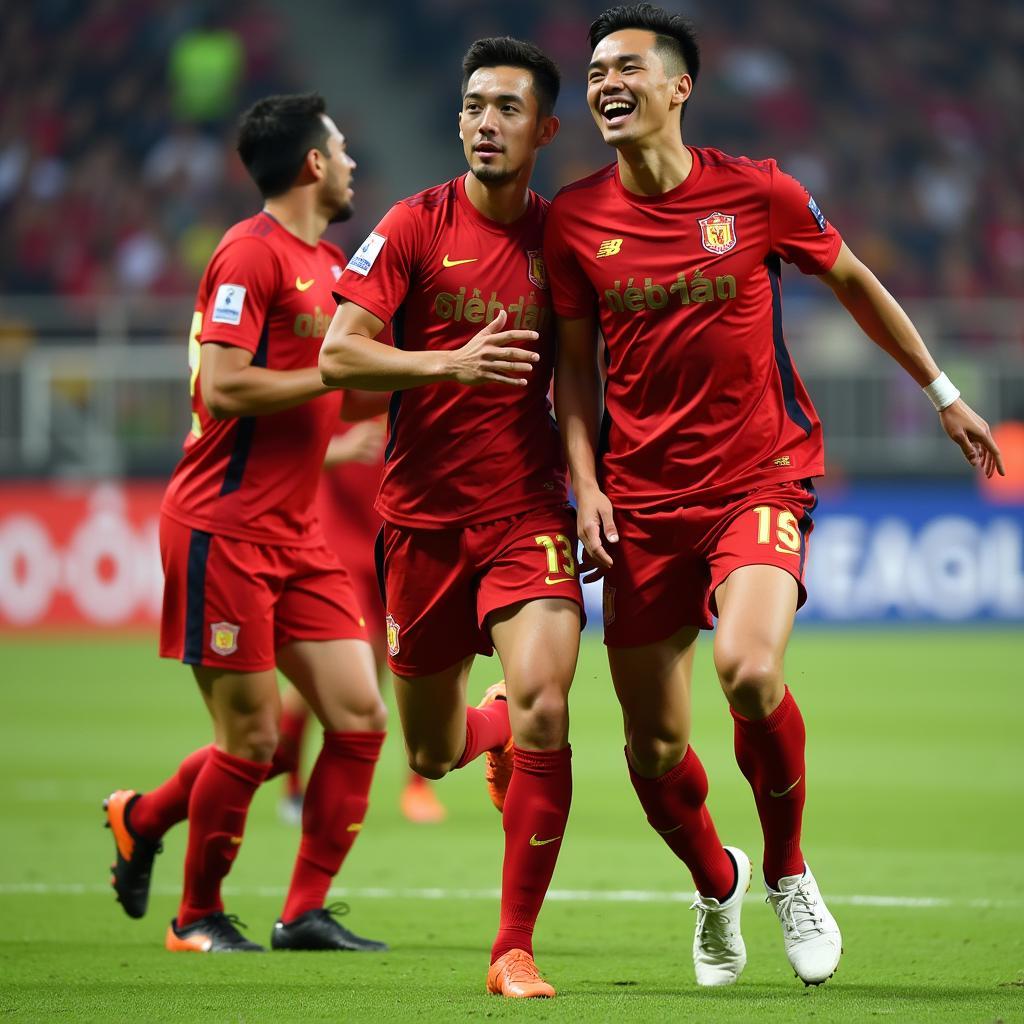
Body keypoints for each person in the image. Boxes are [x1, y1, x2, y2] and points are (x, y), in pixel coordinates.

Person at [544, 3, 1004, 989]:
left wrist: (943, 391)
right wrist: (582, 484)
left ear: (679, 86)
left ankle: (789, 871)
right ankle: (717, 882)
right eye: (591, 73)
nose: (604, 84)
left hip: (758, 473)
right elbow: (572, 373)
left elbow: (852, 280)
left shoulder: (755, 192)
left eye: (626, 66)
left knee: (749, 672)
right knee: (653, 743)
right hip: (638, 502)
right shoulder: (575, 220)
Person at [318, 37, 582, 999]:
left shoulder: (566, 241)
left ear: (545, 129)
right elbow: (340, 358)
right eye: (474, 105)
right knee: (430, 749)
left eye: (507, 108)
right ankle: (493, 734)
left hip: (527, 513)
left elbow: (590, 383)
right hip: (423, 525)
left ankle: (512, 947)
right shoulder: (412, 226)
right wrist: (446, 364)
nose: (485, 122)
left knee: (547, 706)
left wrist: (593, 491)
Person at [103, 92, 390, 954]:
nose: (349, 164)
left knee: (359, 716)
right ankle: (195, 917)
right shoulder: (248, 255)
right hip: (220, 528)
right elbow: (225, 387)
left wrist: (441, 372)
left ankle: (297, 908)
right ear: (311, 163)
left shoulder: (328, 258)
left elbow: (341, 381)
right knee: (255, 739)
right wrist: (335, 375)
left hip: (295, 535)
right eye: (339, 150)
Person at [278, 418, 448, 826]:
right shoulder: (333, 369)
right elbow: (284, 456)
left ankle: (417, 787)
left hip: (399, 538)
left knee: (411, 659)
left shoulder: (417, 366)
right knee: (353, 664)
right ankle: (292, 785)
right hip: (339, 547)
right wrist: (339, 449)